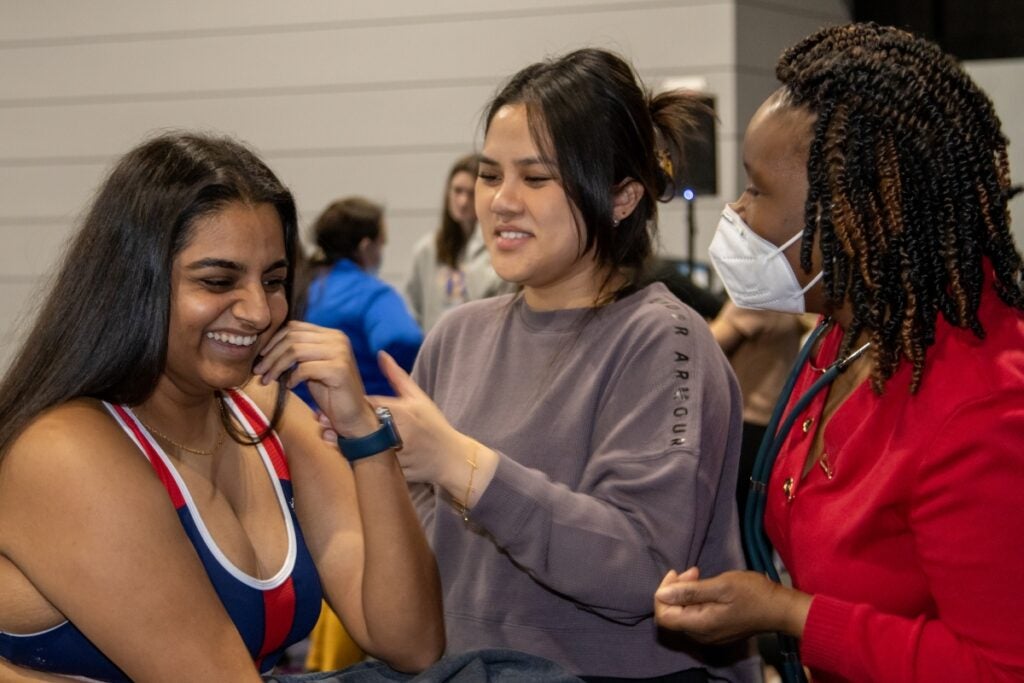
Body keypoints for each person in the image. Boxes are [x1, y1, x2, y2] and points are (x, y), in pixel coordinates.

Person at [362, 48, 758, 681]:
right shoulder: (457, 336)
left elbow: (643, 568)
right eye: (491, 175)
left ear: (622, 196)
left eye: (536, 178)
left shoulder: (664, 340)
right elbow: (424, 560)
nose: (502, 202)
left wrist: (463, 465)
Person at [655, 23, 1024, 683]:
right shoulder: (851, 330)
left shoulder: (984, 408)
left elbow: (998, 668)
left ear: (864, 207)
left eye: (758, 190)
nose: (737, 211)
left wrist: (790, 612)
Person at [0, 132, 443, 680]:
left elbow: (412, 642)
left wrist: (363, 434)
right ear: (135, 283)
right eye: (218, 280)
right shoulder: (64, 451)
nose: (259, 311)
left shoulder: (265, 412)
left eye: (274, 280)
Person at [294, 196, 422, 403]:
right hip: (357, 415)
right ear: (365, 246)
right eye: (381, 244)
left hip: (294, 417)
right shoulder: (371, 293)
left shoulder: (298, 286)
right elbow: (403, 339)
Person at [709, 301, 806, 542]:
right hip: (771, 426)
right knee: (756, 524)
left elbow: (706, 345)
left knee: (735, 526)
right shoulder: (787, 304)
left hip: (748, 424)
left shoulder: (756, 303)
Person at [404, 154, 510, 333]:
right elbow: (413, 310)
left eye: (471, 193)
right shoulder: (427, 249)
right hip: (436, 348)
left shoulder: (498, 247)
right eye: (457, 191)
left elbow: (491, 301)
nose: (463, 201)